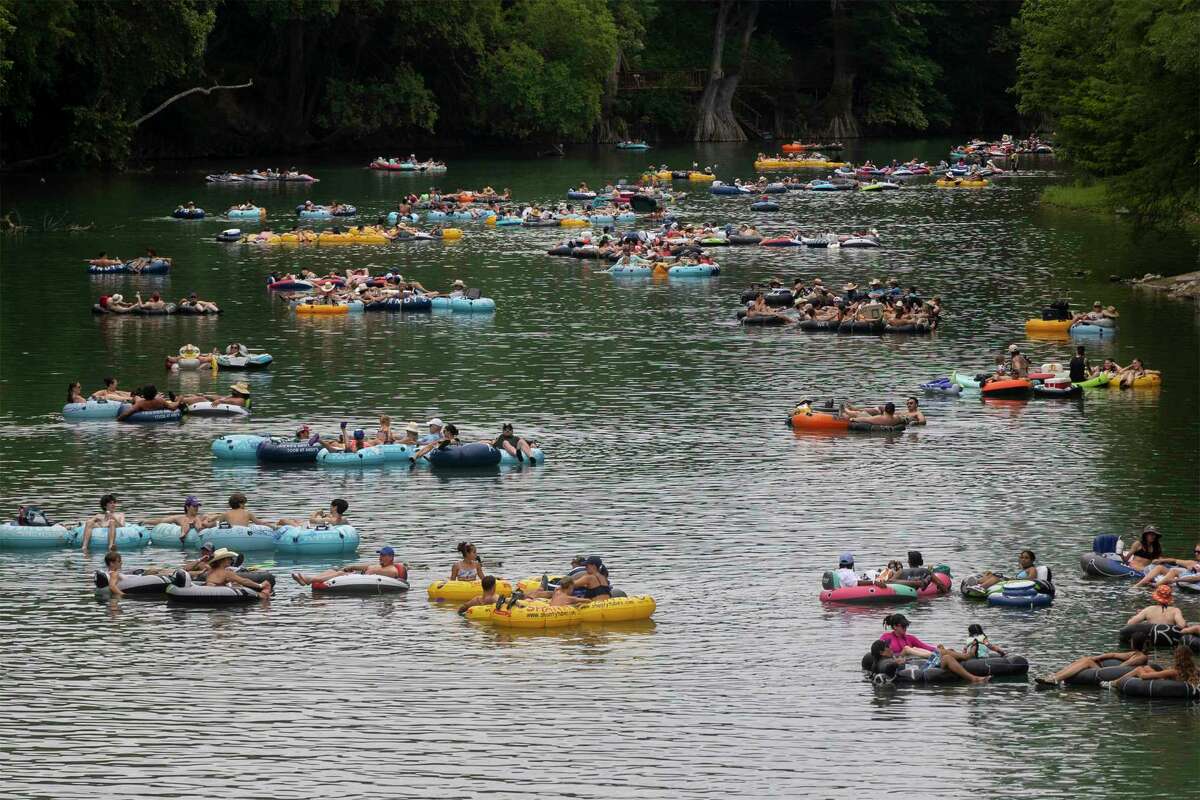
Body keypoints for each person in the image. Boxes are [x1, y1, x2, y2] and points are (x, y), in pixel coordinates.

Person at [876, 614, 990, 684]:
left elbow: (927, 647)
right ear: (895, 626)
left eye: (907, 626)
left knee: (946, 656)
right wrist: (897, 658)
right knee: (907, 649)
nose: (906, 628)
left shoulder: (910, 638)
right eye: (903, 626)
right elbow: (881, 652)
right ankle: (967, 658)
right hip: (911, 667)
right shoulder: (887, 638)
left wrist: (939, 648)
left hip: (922, 663)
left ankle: (973, 678)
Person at [1034, 632, 1150, 687]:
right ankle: (1054, 677)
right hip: (1108, 670)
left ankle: (1056, 679)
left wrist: (1094, 663)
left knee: (1086, 662)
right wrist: (1095, 658)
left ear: (1134, 642)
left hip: (1111, 674)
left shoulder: (1141, 657)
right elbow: (1114, 655)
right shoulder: (1134, 653)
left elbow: (1121, 667)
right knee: (1086, 659)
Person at [292, 546, 406, 586]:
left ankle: (309, 580)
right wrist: (352, 567)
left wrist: (359, 573)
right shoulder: (379, 565)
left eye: (383, 555)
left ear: (391, 557)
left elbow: (371, 572)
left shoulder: (392, 570)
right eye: (380, 555)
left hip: (365, 579)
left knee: (340, 574)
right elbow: (367, 567)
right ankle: (311, 580)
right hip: (361, 577)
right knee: (333, 569)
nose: (380, 557)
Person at [1108, 645, 1199, 691]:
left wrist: (1140, 672)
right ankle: (1113, 683)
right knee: (1147, 668)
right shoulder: (1196, 669)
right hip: (1175, 682)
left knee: (1139, 669)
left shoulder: (1174, 672)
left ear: (1177, 657)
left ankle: (1114, 683)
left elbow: (1144, 677)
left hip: (1166, 686)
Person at [205, 548, 272, 598]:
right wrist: (260, 585)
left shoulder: (211, 570)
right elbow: (244, 581)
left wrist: (232, 585)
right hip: (217, 594)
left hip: (208, 593)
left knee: (236, 585)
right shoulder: (226, 573)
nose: (231, 560)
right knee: (265, 593)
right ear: (223, 560)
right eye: (229, 558)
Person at [144, 496, 212, 543]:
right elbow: (161, 521)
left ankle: (200, 533)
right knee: (186, 520)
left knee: (199, 519)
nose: (196, 508)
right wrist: (145, 521)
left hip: (199, 530)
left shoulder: (200, 517)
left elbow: (211, 519)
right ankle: (183, 534)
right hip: (184, 536)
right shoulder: (180, 518)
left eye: (197, 506)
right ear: (187, 507)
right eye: (194, 506)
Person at [1133, 541, 1200, 588]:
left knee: (1174, 570)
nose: (1196, 553)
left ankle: (1156, 585)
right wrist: (1161, 560)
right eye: (1195, 551)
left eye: (1199, 552)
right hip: (1182, 577)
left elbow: (1196, 578)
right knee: (1160, 567)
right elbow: (1174, 560)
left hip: (1187, 580)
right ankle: (1138, 585)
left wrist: (1176, 580)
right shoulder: (1192, 563)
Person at [277, 498, 349, 528]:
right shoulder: (344, 519)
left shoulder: (330, 520)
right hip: (314, 526)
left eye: (331, 506)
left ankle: (274, 530)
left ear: (335, 507)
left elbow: (311, 519)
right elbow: (335, 519)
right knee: (296, 520)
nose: (330, 507)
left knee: (282, 521)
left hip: (307, 529)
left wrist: (316, 512)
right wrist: (325, 515)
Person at [176, 382, 251, 410]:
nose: (232, 390)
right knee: (197, 396)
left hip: (227, 410)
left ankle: (178, 401)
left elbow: (231, 402)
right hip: (220, 407)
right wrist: (206, 396)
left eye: (235, 390)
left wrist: (221, 401)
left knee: (199, 399)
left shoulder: (241, 399)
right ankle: (180, 401)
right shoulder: (233, 396)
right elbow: (219, 397)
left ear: (240, 392)